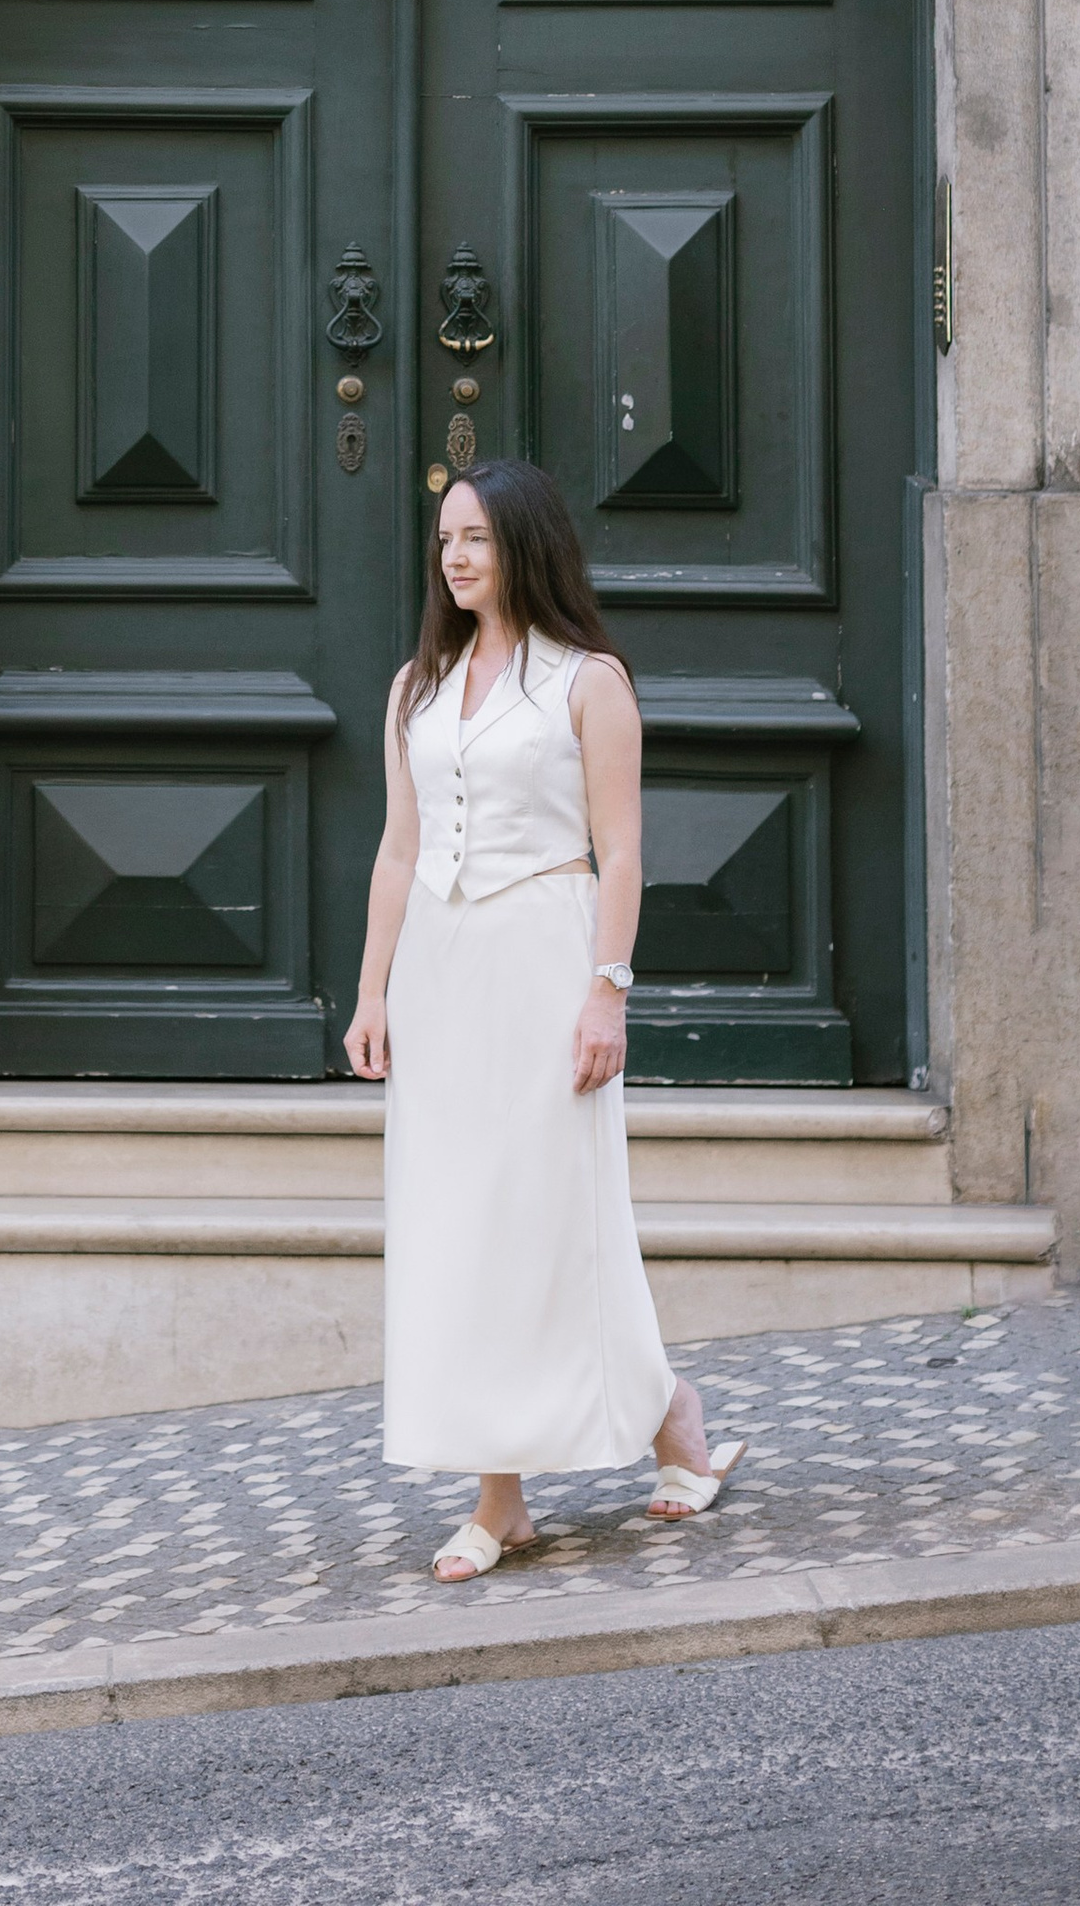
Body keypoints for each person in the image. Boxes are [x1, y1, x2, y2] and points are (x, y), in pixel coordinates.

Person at [344, 455, 748, 1577]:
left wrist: (604, 992)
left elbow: (619, 852)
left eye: (472, 538)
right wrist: (373, 990)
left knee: (554, 1220)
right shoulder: (412, 688)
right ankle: (514, 1491)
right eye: (444, 542)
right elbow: (399, 847)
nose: (453, 558)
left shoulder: (588, 682)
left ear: (522, 545)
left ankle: (656, 1422)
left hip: (544, 960)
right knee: (455, 1224)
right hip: (441, 970)